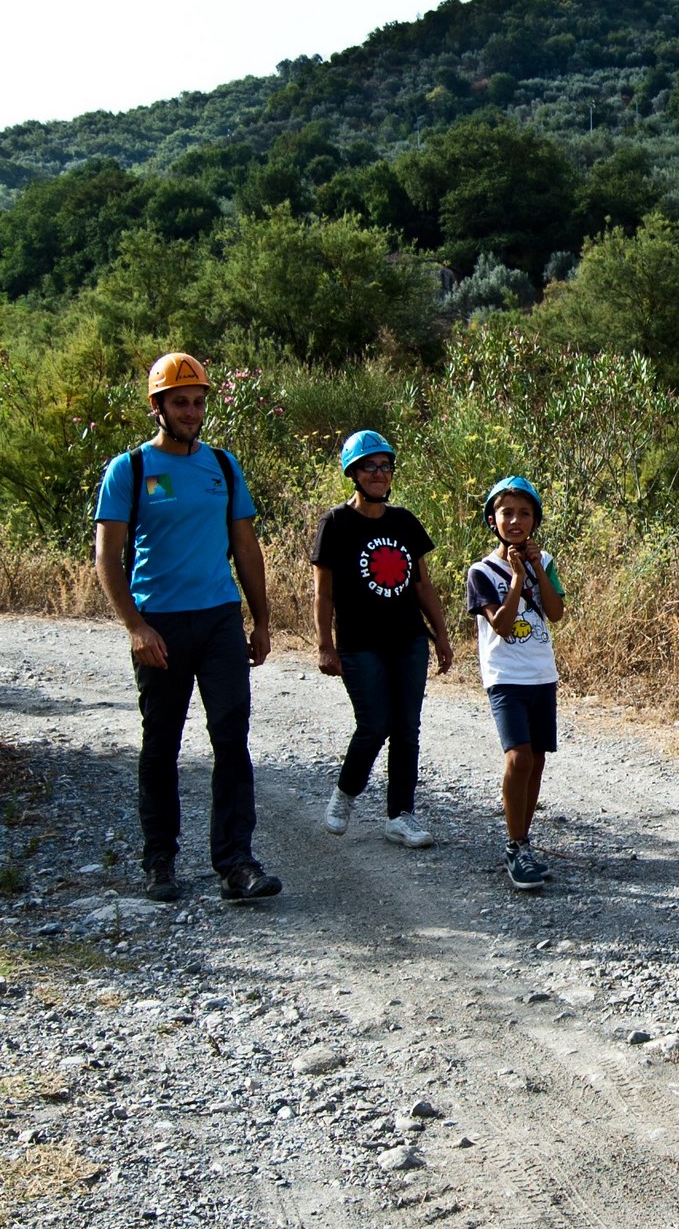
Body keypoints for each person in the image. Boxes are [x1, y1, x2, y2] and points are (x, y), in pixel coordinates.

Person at [93, 352, 280, 903]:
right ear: (158, 407)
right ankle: (160, 862)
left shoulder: (222, 465)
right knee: (162, 743)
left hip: (220, 617)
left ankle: (236, 863)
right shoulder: (129, 469)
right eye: (180, 402)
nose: (191, 412)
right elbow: (107, 557)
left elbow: (246, 547)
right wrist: (135, 627)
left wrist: (261, 620)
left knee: (232, 738)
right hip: (160, 624)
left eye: (198, 402)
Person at [311, 429, 456, 849]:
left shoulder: (404, 522)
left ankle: (400, 816)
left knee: (407, 727)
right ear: (353, 473)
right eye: (369, 466)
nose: (378, 473)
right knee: (374, 724)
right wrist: (325, 645)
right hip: (359, 643)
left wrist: (441, 635)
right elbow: (323, 592)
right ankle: (345, 794)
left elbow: (422, 584)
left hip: (408, 639)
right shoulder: (335, 523)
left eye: (385, 466)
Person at [464, 477, 566, 892]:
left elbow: (556, 613)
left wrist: (537, 569)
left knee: (536, 760)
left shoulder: (547, 561)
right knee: (518, 758)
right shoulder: (481, 572)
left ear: (534, 521)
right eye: (507, 513)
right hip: (505, 677)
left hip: (542, 674)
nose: (516, 521)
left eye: (524, 513)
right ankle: (513, 845)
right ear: (493, 520)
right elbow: (502, 626)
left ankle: (523, 842)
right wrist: (516, 578)